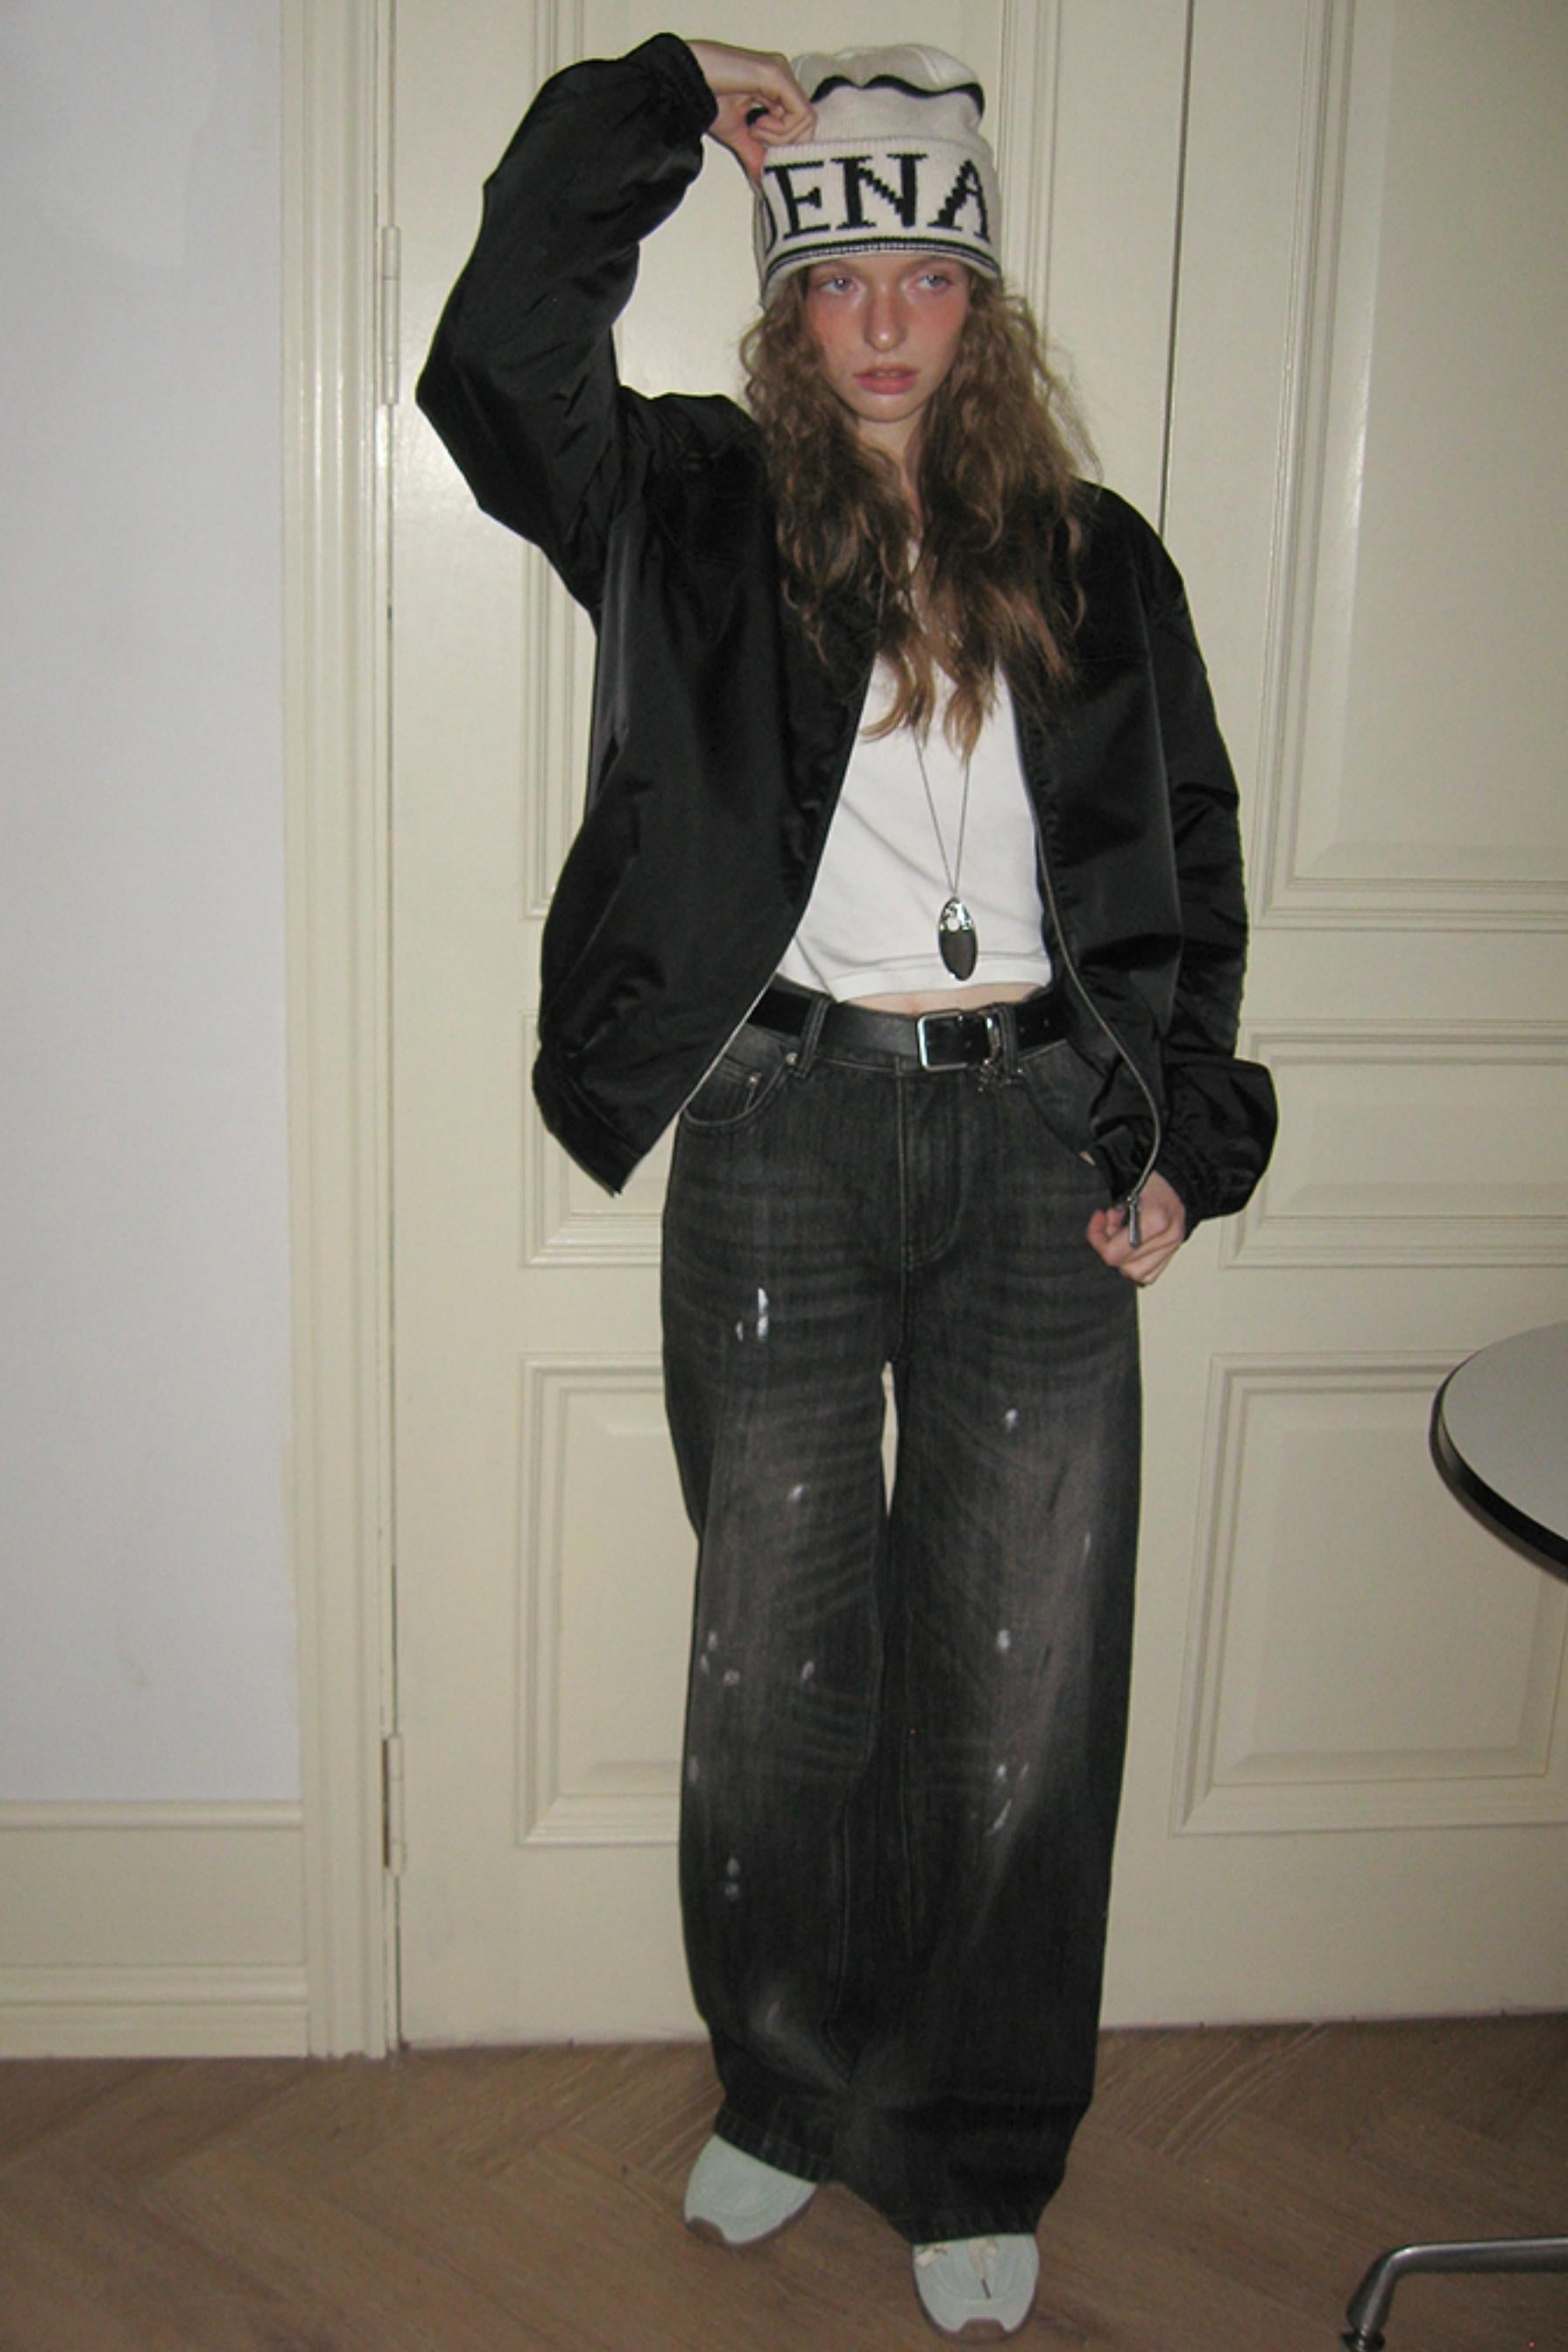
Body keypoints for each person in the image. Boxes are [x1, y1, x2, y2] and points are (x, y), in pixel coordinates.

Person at [419, 32, 1276, 2341]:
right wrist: (663, 96)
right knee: (779, 1658)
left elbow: (1188, 851)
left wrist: (1185, 1136)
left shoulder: (1098, 560)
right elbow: (493, 359)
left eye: (925, 271)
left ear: (983, 301)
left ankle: (972, 2134)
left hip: (1036, 1143)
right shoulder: (685, 507)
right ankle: (793, 2084)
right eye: (838, 277)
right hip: (781, 1130)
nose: (883, 318)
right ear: (788, 307)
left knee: (1017, 1673)